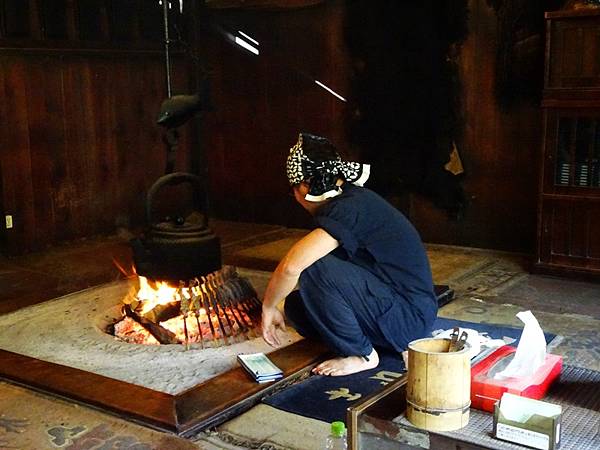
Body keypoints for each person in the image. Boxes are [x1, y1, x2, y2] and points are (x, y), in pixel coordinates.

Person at [261, 133, 438, 376]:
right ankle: (366, 340)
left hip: (408, 317)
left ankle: (363, 355)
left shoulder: (349, 208)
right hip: (396, 308)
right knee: (297, 307)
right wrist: (279, 304)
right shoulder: (348, 199)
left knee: (315, 268)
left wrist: (268, 306)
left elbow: (292, 266)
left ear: (304, 186)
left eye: (294, 187)